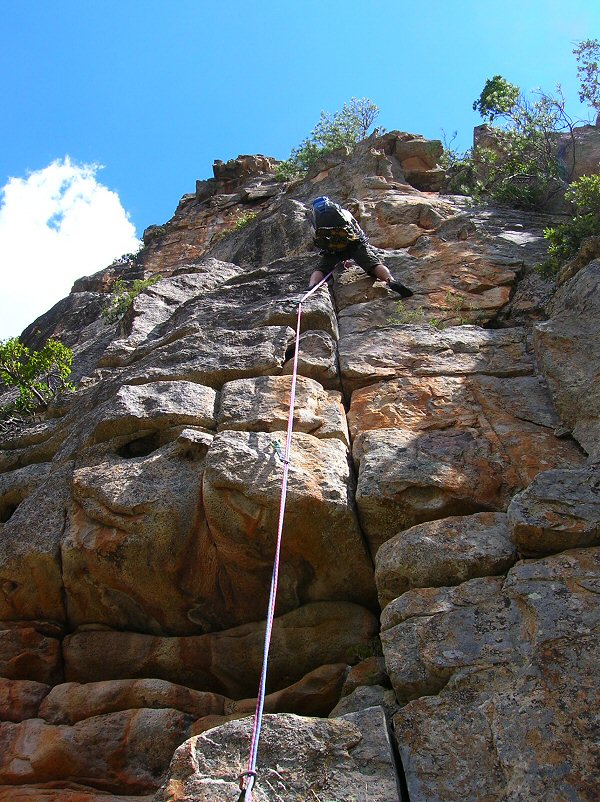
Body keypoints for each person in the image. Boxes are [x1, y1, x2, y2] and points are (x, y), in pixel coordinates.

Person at [308, 196, 414, 296]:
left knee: (321, 269)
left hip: (332, 250)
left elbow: (317, 239)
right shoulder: (343, 212)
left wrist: (328, 250)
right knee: (374, 264)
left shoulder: (315, 220)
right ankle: (390, 280)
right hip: (353, 244)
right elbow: (356, 227)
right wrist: (363, 243)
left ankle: (312, 286)